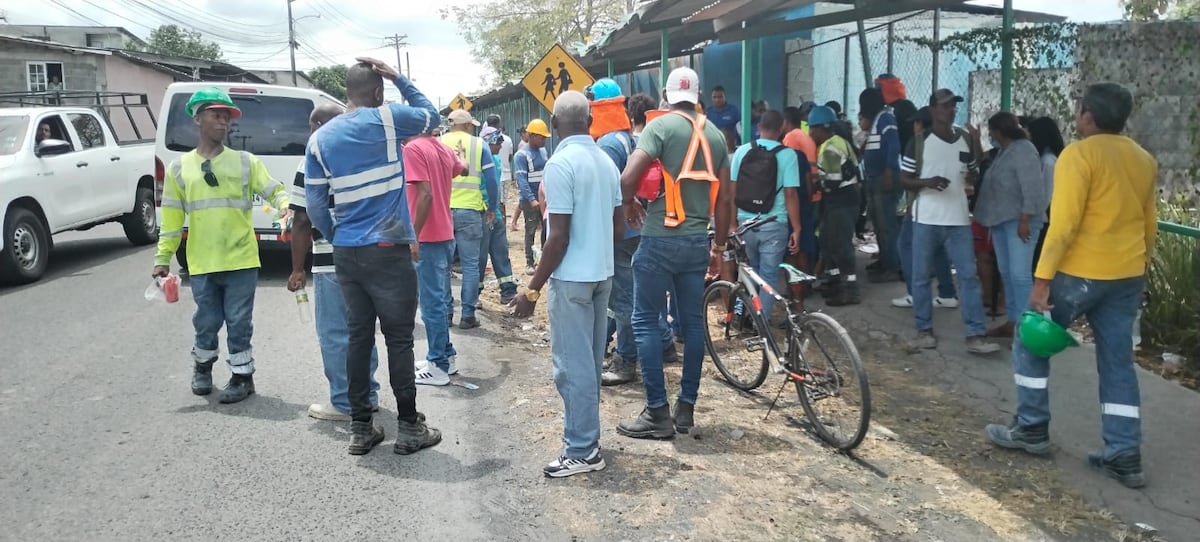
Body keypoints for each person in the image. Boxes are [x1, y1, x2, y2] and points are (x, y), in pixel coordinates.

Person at [986, 83, 1157, 489]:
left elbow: (1063, 225)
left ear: (1088, 117)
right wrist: (1142, 269)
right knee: (1117, 361)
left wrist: (1041, 281)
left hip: (1082, 274)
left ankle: (1031, 428)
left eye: (1080, 108)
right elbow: (1149, 223)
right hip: (1127, 274)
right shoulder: (1143, 159)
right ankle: (1124, 454)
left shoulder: (1078, 155)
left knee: (1030, 340)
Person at [304, 57, 441, 456]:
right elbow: (432, 117)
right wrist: (399, 77)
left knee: (358, 337)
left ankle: (361, 429)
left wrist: (338, 235)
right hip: (387, 248)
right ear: (379, 92)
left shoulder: (320, 139)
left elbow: (315, 206)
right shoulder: (386, 119)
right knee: (399, 339)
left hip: (347, 252)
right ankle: (410, 427)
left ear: (346, 92)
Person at [616, 67, 734, 439]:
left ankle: (656, 413)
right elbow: (727, 198)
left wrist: (630, 204)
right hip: (697, 241)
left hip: (658, 238)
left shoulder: (660, 127)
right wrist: (718, 247)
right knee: (693, 324)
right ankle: (686, 409)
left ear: (667, 95)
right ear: (698, 95)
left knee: (646, 321)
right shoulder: (715, 136)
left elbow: (625, 178)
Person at [511, 91, 622, 477]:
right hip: (600, 276)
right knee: (588, 364)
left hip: (572, 279)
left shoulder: (560, 165)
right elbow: (618, 224)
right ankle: (587, 439)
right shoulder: (606, 163)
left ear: (555, 125)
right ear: (589, 123)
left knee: (571, 368)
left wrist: (531, 289)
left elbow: (557, 237)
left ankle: (582, 449)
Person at [153, 86, 288, 404]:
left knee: (240, 322)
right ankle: (202, 368)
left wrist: (286, 206)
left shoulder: (246, 162)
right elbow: (172, 220)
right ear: (198, 120)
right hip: (202, 261)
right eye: (216, 115)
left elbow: (274, 191)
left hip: (241, 259)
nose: (223, 122)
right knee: (207, 321)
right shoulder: (178, 168)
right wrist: (162, 258)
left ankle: (243, 377)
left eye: (227, 117)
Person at [287, 104, 382, 421]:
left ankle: (343, 402)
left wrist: (298, 268)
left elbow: (302, 218)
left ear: (316, 125)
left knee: (335, 333)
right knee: (363, 330)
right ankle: (368, 395)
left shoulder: (314, 156)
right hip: (370, 257)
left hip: (332, 259)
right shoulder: (366, 154)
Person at [590, 85, 678, 387]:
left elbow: (605, 195)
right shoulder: (628, 138)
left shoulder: (606, 145)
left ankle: (625, 361)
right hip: (636, 226)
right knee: (638, 296)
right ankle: (665, 344)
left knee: (625, 300)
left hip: (619, 231)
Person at [901, 89, 1000, 354]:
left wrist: (975, 157)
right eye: (945, 106)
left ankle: (975, 335)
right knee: (921, 277)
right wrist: (927, 182)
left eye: (953, 106)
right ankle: (924, 331)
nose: (950, 110)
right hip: (927, 218)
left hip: (958, 219)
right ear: (933, 110)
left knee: (968, 277)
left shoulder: (965, 138)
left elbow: (974, 171)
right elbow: (904, 179)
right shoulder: (920, 142)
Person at [973, 112, 1050, 339]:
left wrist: (1025, 219)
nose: (990, 134)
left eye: (991, 130)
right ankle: (1015, 322)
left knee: (1019, 275)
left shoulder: (1024, 149)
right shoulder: (1005, 151)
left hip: (1020, 221)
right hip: (1002, 219)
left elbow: (1032, 187)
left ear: (998, 131)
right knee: (1007, 273)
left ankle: (1028, 327)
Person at [407, 126, 466, 386]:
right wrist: (461, 157)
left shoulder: (412, 149)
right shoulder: (441, 148)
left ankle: (438, 365)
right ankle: (446, 356)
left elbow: (425, 193)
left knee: (431, 304)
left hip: (427, 237)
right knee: (440, 300)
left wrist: (414, 236)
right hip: (444, 232)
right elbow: (460, 168)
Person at [730, 109, 803, 319]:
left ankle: (743, 317)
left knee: (749, 273)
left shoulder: (741, 152)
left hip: (745, 223)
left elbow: (732, 192)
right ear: (781, 129)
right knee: (768, 277)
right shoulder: (788, 155)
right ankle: (760, 324)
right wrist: (796, 228)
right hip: (774, 224)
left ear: (759, 127)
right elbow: (790, 194)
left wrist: (733, 224)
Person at [894, 106, 959, 310]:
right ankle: (947, 293)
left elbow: (906, 179)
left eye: (915, 123)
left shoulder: (918, 144)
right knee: (938, 250)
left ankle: (915, 294)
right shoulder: (950, 142)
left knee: (906, 246)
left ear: (920, 124)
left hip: (920, 208)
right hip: (944, 207)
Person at [441, 109, 499, 330]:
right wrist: (492, 207)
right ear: (466, 125)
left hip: (444, 212)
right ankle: (467, 315)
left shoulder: (439, 142)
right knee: (471, 265)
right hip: (471, 211)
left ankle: (446, 313)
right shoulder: (478, 144)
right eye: (471, 125)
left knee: (443, 265)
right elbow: (491, 180)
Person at [807, 105, 861, 306]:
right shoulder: (837, 141)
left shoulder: (830, 147)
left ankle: (850, 289)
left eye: (813, 129)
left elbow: (832, 182)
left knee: (842, 246)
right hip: (839, 201)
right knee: (828, 242)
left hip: (842, 201)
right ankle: (834, 280)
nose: (811, 133)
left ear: (823, 128)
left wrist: (815, 182)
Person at [859, 88, 903, 283]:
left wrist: (888, 171)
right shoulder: (877, 119)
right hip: (874, 177)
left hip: (884, 177)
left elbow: (893, 145)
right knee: (879, 224)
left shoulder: (886, 117)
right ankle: (885, 260)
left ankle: (894, 266)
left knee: (887, 225)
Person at [479, 129, 518, 305]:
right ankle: (475, 292)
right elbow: (489, 185)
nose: (501, 145)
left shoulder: (495, 159)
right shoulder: (481, 158)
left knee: (500, 251)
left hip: (493, 212)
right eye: (497, 142)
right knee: (480, 256)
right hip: (483, 211)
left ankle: (508, 289)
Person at [1026, 116, 1065, 273]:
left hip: (1045, 218)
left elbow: (1046, 194)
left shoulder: (1048, 161)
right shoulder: (1044, 158)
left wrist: (1031, 215)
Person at [513, 119, 550, 273]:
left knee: (546, 228)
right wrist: (532, 199)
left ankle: (543, 259)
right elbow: (522, 181)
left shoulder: (543, 152)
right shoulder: (521, 155)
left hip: (543, 198)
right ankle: (529, 262)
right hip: (530, 200)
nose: (544, 140)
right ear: (532, 135)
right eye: (541, 137)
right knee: (530, 230)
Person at [705, 85, 740, 151]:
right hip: (713, 146)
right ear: (711, 98)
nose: (717, 100)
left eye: (720, 97)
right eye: (714, 97)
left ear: (725, 97)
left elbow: (740, 128)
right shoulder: (708, 112)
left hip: (730, 147)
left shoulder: (733, 111)